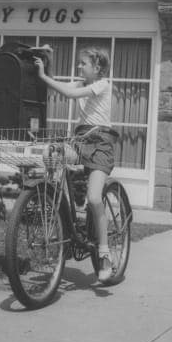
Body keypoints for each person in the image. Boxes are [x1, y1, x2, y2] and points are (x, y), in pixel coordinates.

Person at [33, 47, 117, 283]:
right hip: (80, 141)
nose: (79, 67)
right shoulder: (80, 82)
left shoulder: (103, 84)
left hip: (100, 143)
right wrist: (44, 68)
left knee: (93, 198)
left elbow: (69, 95)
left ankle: (104, 253)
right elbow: (60, 85)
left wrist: (43, 77)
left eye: (83, 64)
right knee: (52, 153)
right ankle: (62, 218)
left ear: (97, 67)